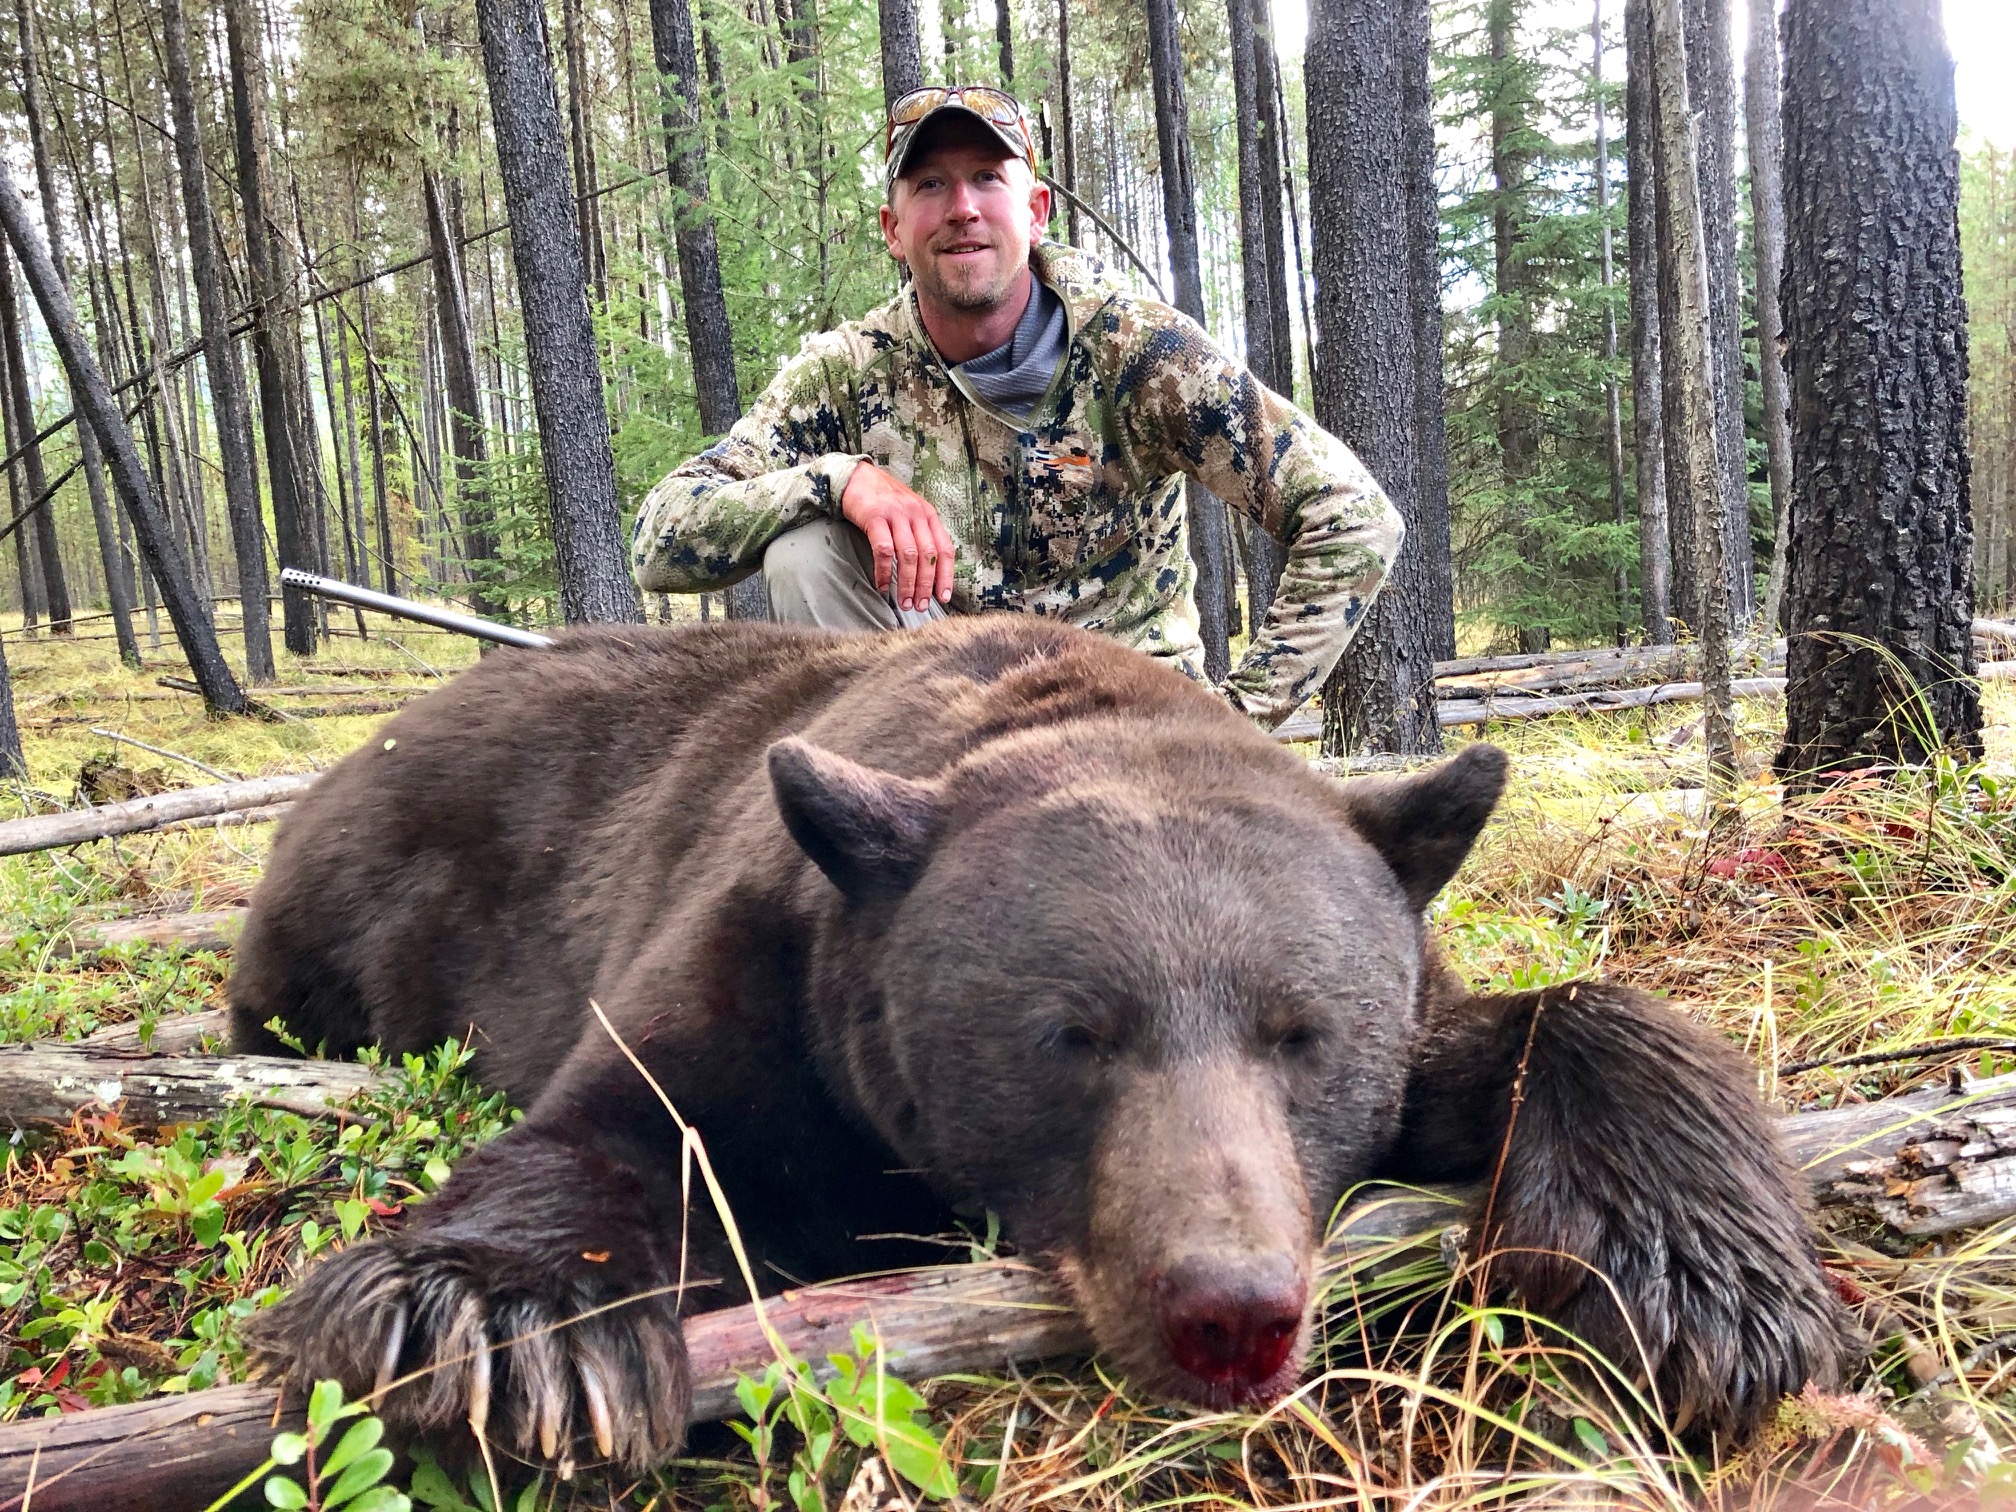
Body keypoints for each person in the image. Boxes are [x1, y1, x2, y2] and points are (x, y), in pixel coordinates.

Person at [631, 85, 1403, 731]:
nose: (962, 208)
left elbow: (1354, 516)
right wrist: (838, 481)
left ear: (1034, 210)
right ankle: (889, 838)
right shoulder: (849, 371)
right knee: (805, 552)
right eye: (930, 185)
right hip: (951, 725)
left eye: (986, 178)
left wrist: (1234, 721)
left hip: (1126, 720)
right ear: (894, 230)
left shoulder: (1142, 354)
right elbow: (660, 535)